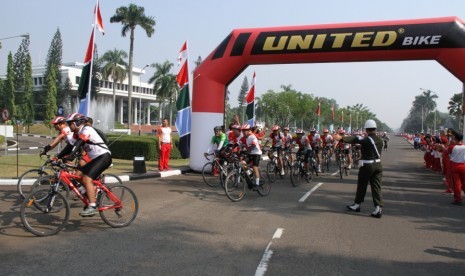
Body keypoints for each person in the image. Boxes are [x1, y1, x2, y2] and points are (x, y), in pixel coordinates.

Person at [334, 119, 384, 218]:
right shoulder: (379, 140)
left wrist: (341, 138)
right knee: (376, 187)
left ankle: (357, 204)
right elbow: (369, 148)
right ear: (375, 128)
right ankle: (378, 208)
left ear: (366, 129)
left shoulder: (367, 139)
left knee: (362, 185)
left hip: (367, 166)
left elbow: (355, 139)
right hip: (378, 165)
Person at [65, 113, 112, 217]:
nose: (69, 126)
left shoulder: (87, 130)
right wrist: (59, 157)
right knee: (78, 176)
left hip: (103, 156)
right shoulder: (77, 133)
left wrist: (71, 155)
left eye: (70, 124)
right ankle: (88, 194)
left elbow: (79, 143)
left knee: (86, 179)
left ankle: (92, 206)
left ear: (76, 123)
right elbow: (70, 146)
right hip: (95, 159)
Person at [241, 123, 262, 190]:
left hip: (256, 153)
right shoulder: (244, 137)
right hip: (250, 153)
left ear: (249, 130)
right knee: (242, 163)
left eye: (245, 130)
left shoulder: (252, 136)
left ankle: (257, 184)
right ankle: (250, 174)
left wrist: (248, 150)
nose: (244, 132)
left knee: (254, 167)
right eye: (243, 130)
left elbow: (253, 145)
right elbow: (238, 143)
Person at [447, 130, 465, 205]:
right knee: (464, 182)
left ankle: (458, 199)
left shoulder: (452, 146)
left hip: (454, 165)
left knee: (457, 183)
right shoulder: (464, 146)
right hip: (463, 165)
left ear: (456, 139)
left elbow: (447, 152)